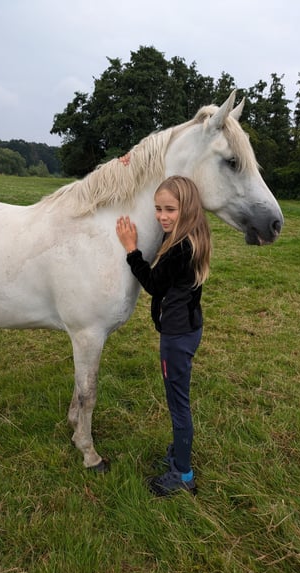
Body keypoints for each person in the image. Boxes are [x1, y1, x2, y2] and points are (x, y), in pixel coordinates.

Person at [116, 175, 212, 496]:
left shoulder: (180, 249)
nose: (162, 216)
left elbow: (154, 284)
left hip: (177, 336)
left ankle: (182, 474)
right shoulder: (194, 235)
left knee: (178, 404)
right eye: (158, 209)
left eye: (170, 209)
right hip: (189, 328)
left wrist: (132, 249)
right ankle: (179, 455)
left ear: (188, 208)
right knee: (178, 400)